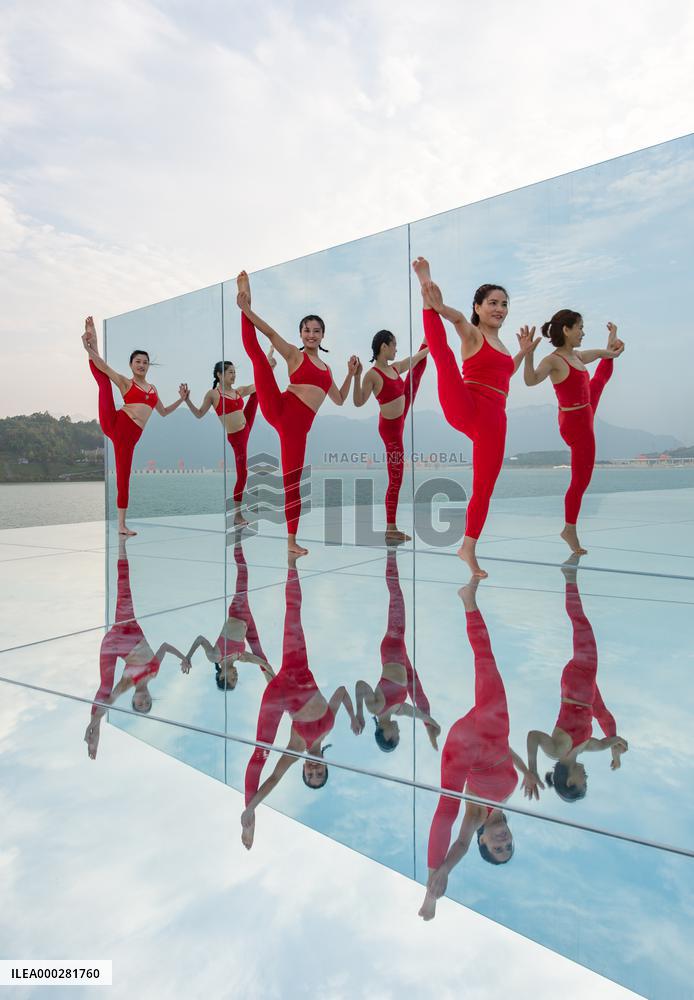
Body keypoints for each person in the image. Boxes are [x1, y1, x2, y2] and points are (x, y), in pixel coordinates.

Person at [418, 578, 535, 921]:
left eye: (497, 848)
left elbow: (459, 844)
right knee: (486, 660)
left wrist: (440, 880)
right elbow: (504, 756)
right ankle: (468, 600)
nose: (503, 841)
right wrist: (525, 769)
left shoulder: (475, 817)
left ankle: (429, 882)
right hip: (494, 728)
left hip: (464, 748)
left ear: (484, 842)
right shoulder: (506, 798)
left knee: (446, 807)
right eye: (508, 846)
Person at [411, 258, 527, 577]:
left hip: (494, 419)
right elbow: (459, 319)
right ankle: (425, 293)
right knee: (444, 358)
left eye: (504, 304)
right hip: (466, 403)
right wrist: (440, 306)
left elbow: (505, 371)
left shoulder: (502, 346)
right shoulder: (473, 334)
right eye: (492, 303)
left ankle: (468, 548)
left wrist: (523, 352)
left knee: (484, 487)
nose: (499, 309)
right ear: (478, 307)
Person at [240, 557, 362, 849]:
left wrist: (251, 809)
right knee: (293, 613)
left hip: (280, 692)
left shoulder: (295, 750)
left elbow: (272, 779)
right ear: (325, 766)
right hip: (299, 667)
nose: (314, 770)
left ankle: (248, 816)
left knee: (261, 751)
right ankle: (291, 563)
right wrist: (354, 716)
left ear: (304, 770)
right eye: (320, 773)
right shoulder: (329, 726)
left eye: (310, 774)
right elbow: (343, 691)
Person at [236, 271, 358, 555]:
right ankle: (245, 296)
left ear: (323, 334)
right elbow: (268, 332)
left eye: (316, 331)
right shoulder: (294, 354)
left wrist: (351, 374)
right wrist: (247, 310)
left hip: (297, 430)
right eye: (307, 330)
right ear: (301, 334)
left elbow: (339, 400)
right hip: (280, 407)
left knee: (292, 481)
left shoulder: (327, 369)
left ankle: (291, 542)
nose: (311, 335)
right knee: (258, 356)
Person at [519, 313, 624, 554]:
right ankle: (569, 529)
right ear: (566, 330)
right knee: (581, 480)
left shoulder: (576, 356)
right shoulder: (553, 360)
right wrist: (529, 355)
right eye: (580, 328)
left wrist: (613, 344)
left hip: (585, 408)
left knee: (599, 380)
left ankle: (569, 528)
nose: (583, 333)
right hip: (575, 421)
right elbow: (530, 380)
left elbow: (600, 354)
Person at [525, 557, 628, 802]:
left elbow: (532, 736)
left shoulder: (557, 752)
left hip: (576, 690)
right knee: (603, 714)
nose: (586, 780)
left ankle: (569, 576)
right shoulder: (585, 748)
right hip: (585, 695)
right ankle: (569, 576)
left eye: (583, 785)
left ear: (570, 781)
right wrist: (617, 753)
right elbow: (610, 740)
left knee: (581, 626)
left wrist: (532, 768)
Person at [84, 537, 191, 759]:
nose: (143, 702)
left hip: (113, 644)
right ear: (151, 698)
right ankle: (122, 545)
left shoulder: (127, 683)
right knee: (124, 585)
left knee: (105, 687)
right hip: (129, 626)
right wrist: (184, 657)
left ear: (133, 700)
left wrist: (94, 725)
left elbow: (109, 700)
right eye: (147, 704)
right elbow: (165, 646)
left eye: (138, 705)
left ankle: (96, 733)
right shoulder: (154, 671)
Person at [82, 316, 186, 535]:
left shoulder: (153, 390)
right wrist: (90, 348)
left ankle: (122, 524)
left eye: (145, 362)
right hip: (117, 424)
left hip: (130, 439)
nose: (141, 365)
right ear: (131, 365)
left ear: (148, 366)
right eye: (137, 361)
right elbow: (103, 366)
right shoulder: (125, 382)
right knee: (104, 382)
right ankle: (92, 341)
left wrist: (182, 399)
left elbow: (164, 412)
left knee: (124, 478)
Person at [355, 547, 440, 751]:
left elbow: (360, 685)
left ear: (385, 735)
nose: (399, 732)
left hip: (392, 649)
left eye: (396, 737)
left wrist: (359, 713)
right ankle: (391, 551)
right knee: (397, 596)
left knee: (396, 597)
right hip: (401, 656)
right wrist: (432, 724)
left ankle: (390, 550)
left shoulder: (374, 708)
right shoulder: (399, 710)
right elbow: (420, 713)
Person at [352, 330, 428, 542]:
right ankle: (391, 528)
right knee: (396, 477)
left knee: (416, 373)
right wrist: (357, 376)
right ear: (384, 346)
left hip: (401, 417)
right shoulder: (372, 375)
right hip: (391, 430)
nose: (396, 349)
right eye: (394, 345)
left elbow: (412, 360)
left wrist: (429, 347)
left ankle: (427, 339)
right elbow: (358, 402)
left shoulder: (394, 368)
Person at [182, 354, 274, 525]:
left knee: (257, 390)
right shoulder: (213, 394)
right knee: (243, 474)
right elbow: (199, 414)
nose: (234, 375)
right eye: (230, 372)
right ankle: (237, 515)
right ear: (219, 374)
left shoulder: (238, 391)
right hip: (237, 437)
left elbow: (255, 385)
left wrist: (268, 367)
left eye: (234, 372)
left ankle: (267, 365)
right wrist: (187, 400)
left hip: (246, 425)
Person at [185, 537, 273, 690]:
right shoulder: (241, 657)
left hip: (238, 611)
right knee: (263, 659)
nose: (236, 676)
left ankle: (237, 539)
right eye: (236, 679)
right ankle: (275, 689)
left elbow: (200, 639)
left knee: (243, 572)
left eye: (233, 678)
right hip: (248, 620)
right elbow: (263, 663)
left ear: (221, 676)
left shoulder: (214, 657)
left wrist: (188, 657)